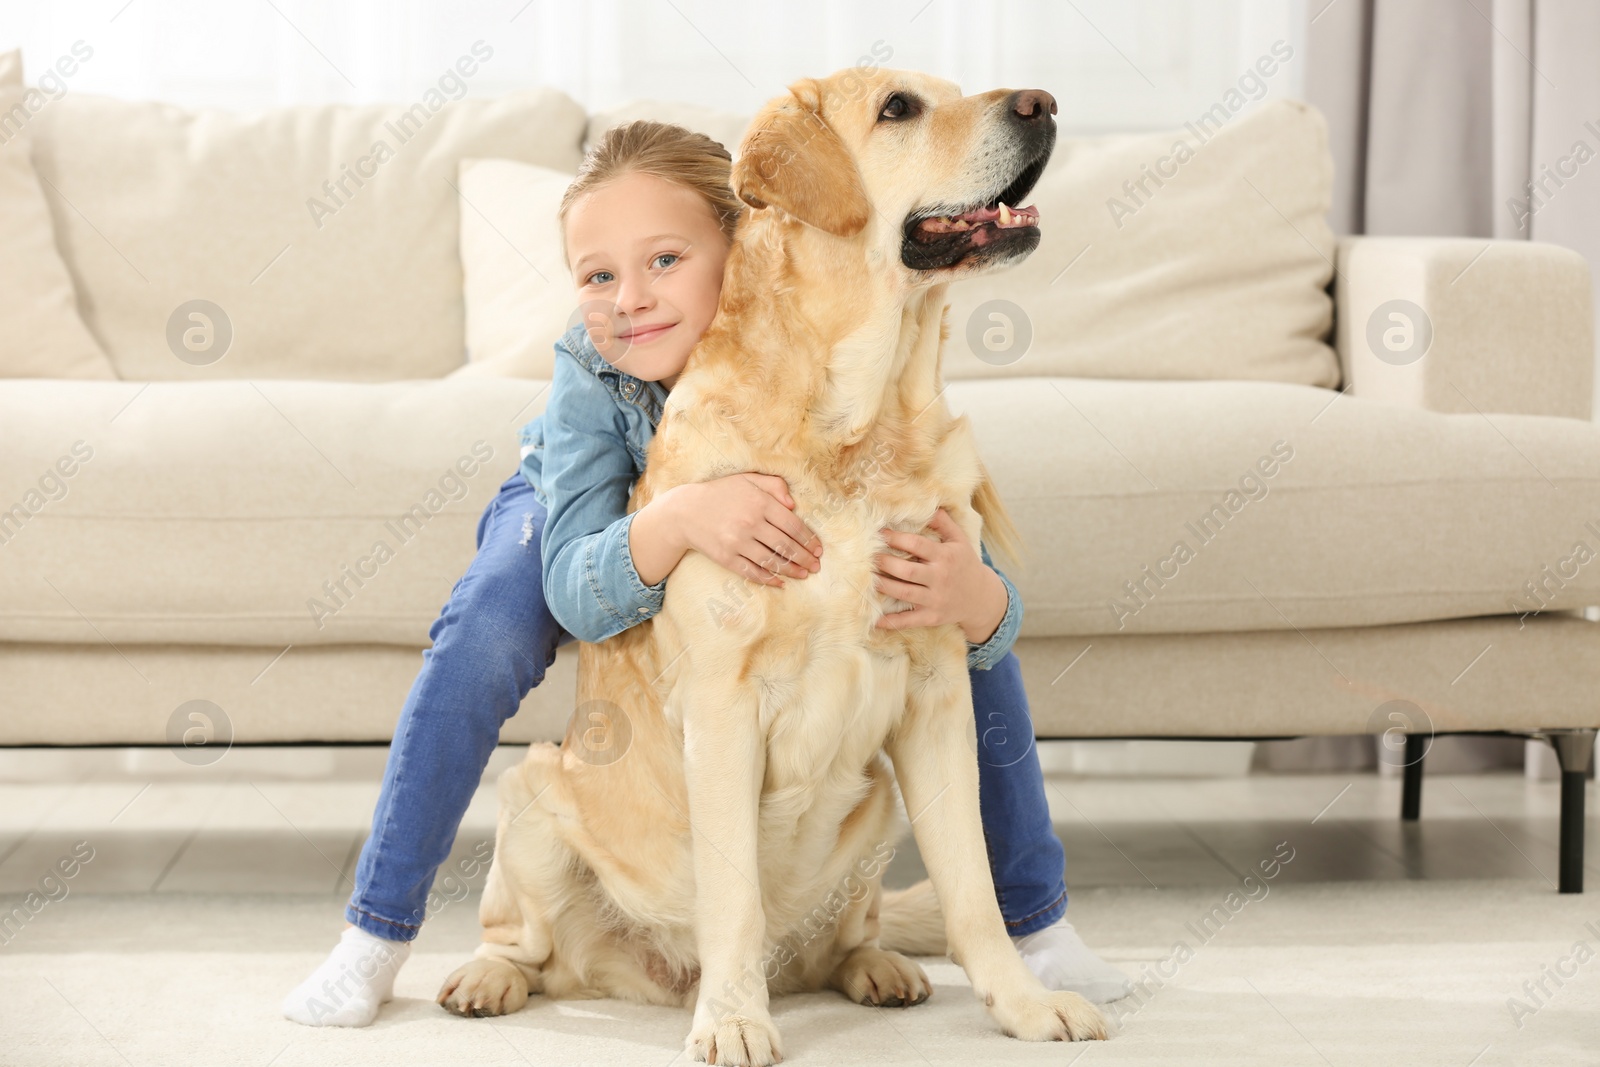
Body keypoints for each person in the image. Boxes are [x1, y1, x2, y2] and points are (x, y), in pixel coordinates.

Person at [282, 120, 1129, 1028]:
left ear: (745, 246)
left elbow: (917, 492)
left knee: (943, 597)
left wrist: (980, 602)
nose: (628, 299)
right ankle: (375, 932)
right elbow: (575, 585)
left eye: (665, 260)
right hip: (586, 505)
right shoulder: (591, 365)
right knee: (490, 619)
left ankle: (1033, 925)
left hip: (757, 496)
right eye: (597, 275)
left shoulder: (821, 331)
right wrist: (681, 516)